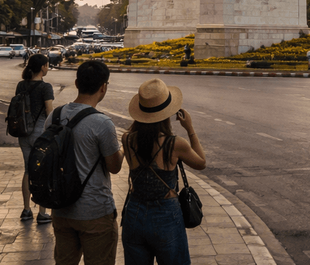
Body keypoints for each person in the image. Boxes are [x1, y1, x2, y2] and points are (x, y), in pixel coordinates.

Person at [121, 79, 206, 265]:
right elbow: (201, 163)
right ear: (167, 113)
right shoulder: (174, 144)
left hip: (134, 213)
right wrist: (190, 128)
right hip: (166, 215)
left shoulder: (127, 139)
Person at [50, 60, 123, 265]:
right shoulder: (101, 123)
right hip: (95, 213)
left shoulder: (54, 117)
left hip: (61, 209)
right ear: (103, 87)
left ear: (76, 83)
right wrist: (123, 149)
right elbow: (114, 167)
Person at [14, 53, 55, 224]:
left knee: (27, 170)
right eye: (47, 65)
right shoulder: (46, 87)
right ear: (43, 67)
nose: (48, 67)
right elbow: (50, 112)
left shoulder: (21, 85)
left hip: (23, 132)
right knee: (42, 171)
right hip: (39, 132)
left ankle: (26, 209)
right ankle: (42, 212)